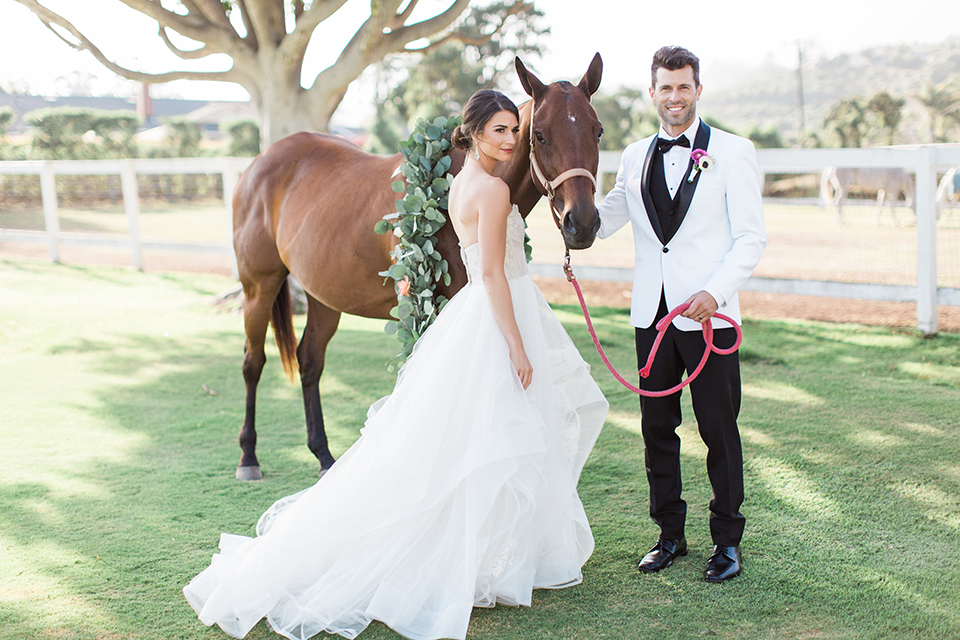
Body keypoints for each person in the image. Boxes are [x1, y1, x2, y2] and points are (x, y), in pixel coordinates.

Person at [182, 89, 608, 640]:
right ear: (473, 134)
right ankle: (466, 553)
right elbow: (495, 275)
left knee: (477, 434)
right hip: (493, 314)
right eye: (499, 131)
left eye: (512, 130)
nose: (509, 139)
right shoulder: (495, 192)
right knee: (495, 435)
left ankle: (479, 549)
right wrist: (518, 344)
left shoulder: (459, 185)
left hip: (474, 317)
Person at [593, 46, 766, 582]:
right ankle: (669, 536)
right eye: (665, 87)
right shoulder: (633, 155)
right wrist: (561, 199)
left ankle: (727, 543)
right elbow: (602, 222)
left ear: (697, 89)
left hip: (709, 318)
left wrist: (714, 293)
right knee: (656, 430)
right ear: (652, 92)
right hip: (652, 316)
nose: (674, 96)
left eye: (683, 86)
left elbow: (750, 238)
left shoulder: (733, 152)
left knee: (719, 429)